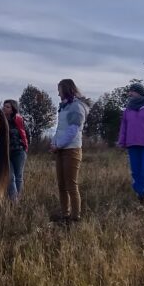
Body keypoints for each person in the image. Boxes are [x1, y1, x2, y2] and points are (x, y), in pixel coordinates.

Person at [50, 79, 89, 223]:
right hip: (61, 149)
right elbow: (61, 129)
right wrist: (54, 142)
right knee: (61, 184)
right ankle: (65, 214)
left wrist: (58, 144)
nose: (58, 92)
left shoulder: (76, 107)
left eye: (59, 89)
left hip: (71, 150)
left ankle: (75, 217)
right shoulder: (64, 107)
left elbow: (73, 130)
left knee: (71, 184)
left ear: (66, 89)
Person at [2, 99, 29, 201]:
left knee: (18, 177)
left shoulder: (19, 121)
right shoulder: (0, 121)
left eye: (7, 107)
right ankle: (14, 200)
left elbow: (27, 135)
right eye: (4, 106)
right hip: (6, 153)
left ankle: (18, 199)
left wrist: (24, 147)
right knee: (10, 176)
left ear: (13, 109)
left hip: (19, 152)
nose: (4, 108)